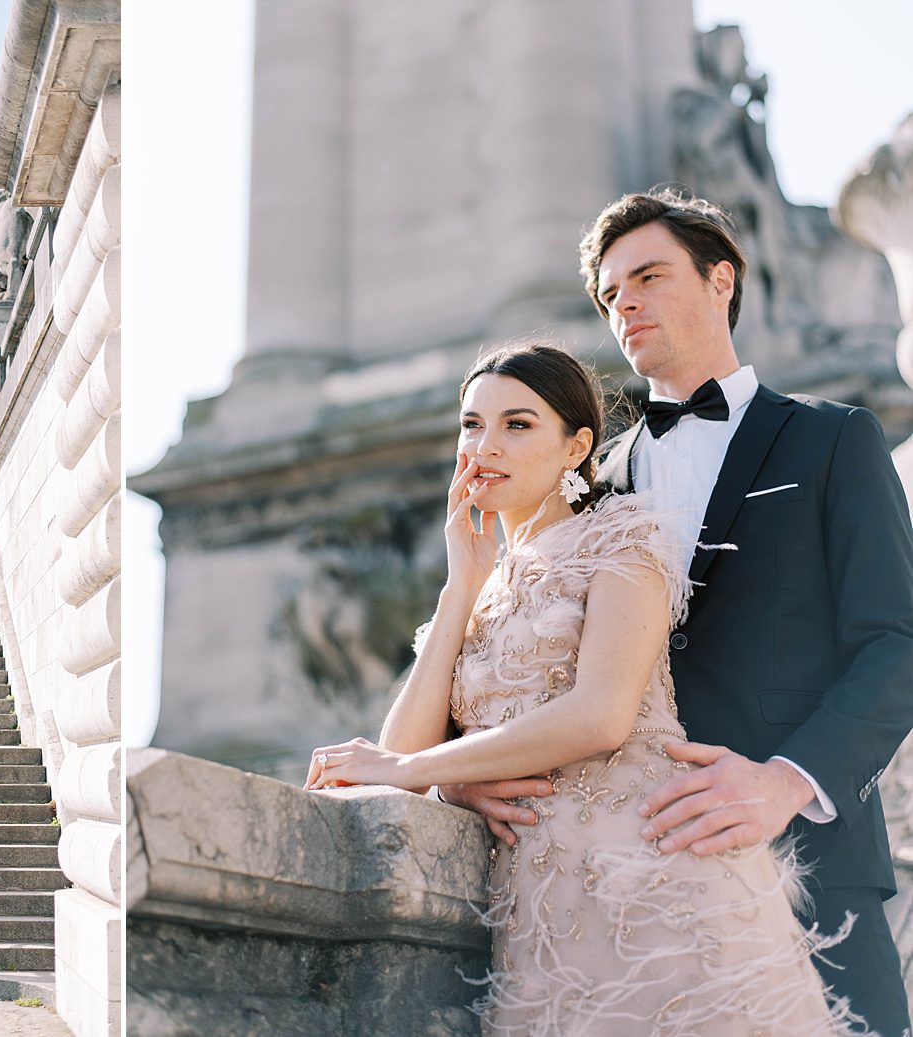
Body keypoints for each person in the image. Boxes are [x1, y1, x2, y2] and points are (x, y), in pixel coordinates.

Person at [441, 189, 913, 1034]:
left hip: (807, 850)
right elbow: (515, 643)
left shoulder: (836, 439)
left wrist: (786, 781)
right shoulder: (582, 482)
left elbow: (897, 643)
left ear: (721, 280)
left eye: (649, 276)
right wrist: (466, 776)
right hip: (620, 885)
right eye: (610, 293)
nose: (626, 302)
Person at [306, 341, 866, 1033]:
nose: (486, 445)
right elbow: (397, 759)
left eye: (518, 424)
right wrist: (460, 585)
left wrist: (418, 768)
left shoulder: (626, 539)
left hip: (659, 877)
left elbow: (600, 716)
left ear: (576, 446)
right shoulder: (478, 592)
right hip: (541, 919)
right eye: (471, 424)